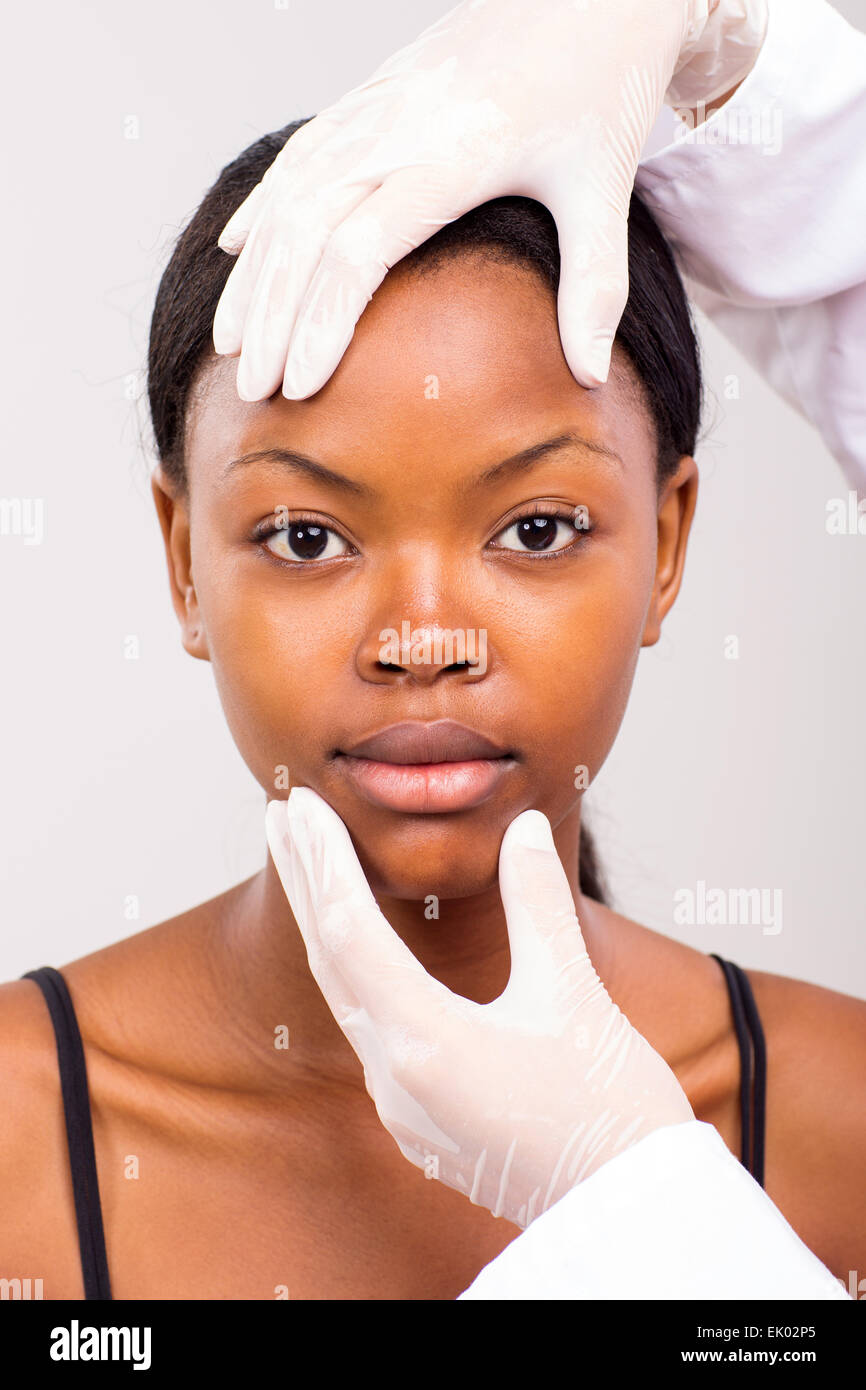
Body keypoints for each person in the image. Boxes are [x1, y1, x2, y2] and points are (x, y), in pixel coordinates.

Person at [1, 104, 862, 1299]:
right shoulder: (17, 1142)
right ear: (183, 562)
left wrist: (629, 1182)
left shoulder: (844, 1123)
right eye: (305, 535)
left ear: (664, 544)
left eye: (534, 528)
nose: (422, 640)